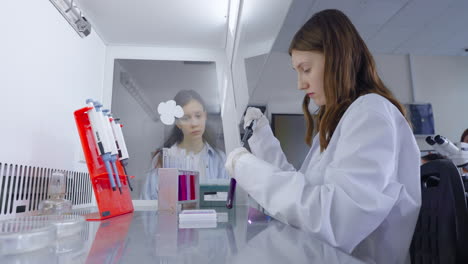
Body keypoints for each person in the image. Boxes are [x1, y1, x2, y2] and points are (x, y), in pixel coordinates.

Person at [225, 9, 421, 263]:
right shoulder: (343, 120)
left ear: (338, 59)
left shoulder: (371, 112)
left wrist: (246, 167)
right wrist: (262, 140)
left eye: (305, 69)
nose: (300, 83)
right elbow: (307, 195)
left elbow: (333, 220)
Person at [140, 90, 228, 200]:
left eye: (198, 116)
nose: (194, 124)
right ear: (177, 123)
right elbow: (148, 202)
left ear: (205, 116)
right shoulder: (161, 159)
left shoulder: (220, 159)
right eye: (185, 118)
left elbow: (227, 203)